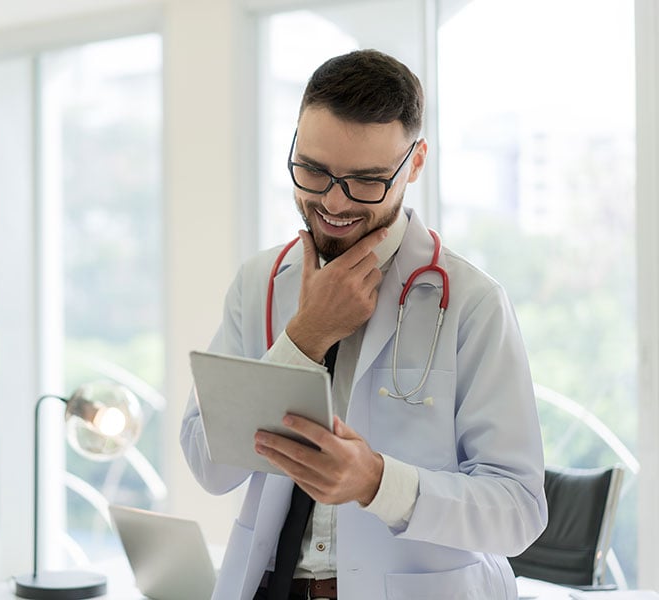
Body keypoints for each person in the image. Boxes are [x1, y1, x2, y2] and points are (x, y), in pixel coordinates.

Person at [180, 49, 547, 600]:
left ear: (415, 163)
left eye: (368, 181)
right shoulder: (260, 282)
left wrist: (378, 483)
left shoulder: (472, 303)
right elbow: (209, 465)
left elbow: (518, 511)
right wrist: (304, 337)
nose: (333, 201)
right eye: (313, 170)